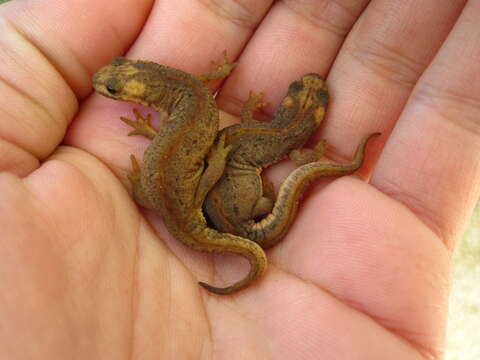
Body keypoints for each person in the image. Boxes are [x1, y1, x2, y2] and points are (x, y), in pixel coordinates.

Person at [0, 0, 478, 358]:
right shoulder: (187, 95)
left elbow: (205, 112)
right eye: (113, 84)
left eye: (115, 86)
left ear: (145, 84)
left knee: (192, 170)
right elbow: (204, 97)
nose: (105, 88)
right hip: (196, 182)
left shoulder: (189, 101)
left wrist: (208, 165)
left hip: (201, 179)